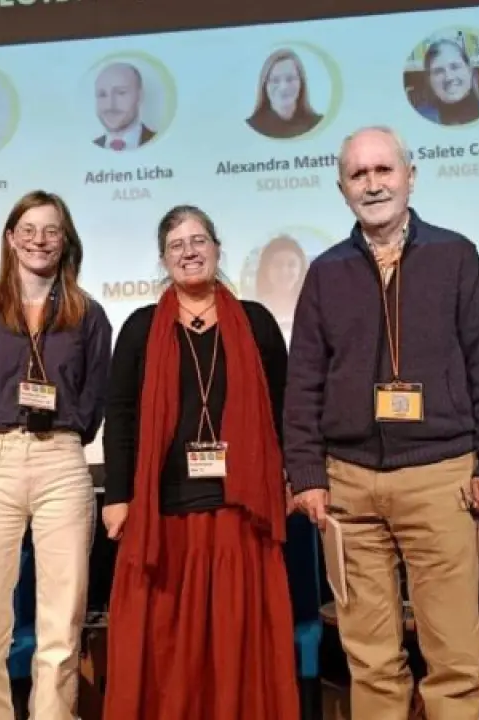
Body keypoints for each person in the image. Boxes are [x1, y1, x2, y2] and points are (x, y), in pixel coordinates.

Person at [285, 125, 479, 720]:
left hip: (442, 476)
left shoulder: (455, 255)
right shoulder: (326, 271)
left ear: (411, 176)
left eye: (384, 170)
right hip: (349, 485)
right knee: (370, 660)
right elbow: (303, 379)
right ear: (342, 189)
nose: (373, 184)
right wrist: (306, 473)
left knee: (455, 658)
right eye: (358, 174)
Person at [101, 205, 300, 719]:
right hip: (165, 513)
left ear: (216, 249)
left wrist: (291, 478)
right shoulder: (141, 328)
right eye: (176, 245)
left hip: (240, 510)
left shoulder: (256, 322)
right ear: (163, 259)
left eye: (198, 241)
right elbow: (119, 416)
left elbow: (284, 407)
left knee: (236, 643)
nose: (189, 252)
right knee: (174, 652)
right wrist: (118, 495)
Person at [0, 190, 111, 720]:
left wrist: (63, 432)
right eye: (28, 230)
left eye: (51, 231)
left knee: (61, 630)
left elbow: (94, 398)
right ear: (10, 238)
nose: (39, 240)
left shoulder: (89, 315)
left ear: (65, 241)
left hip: (61, 463)